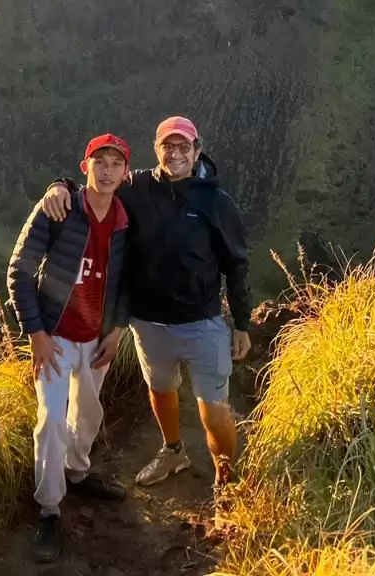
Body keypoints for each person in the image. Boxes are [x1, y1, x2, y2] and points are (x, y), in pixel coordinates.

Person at [42, 116, 252, 503]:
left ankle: (227, 483)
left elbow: (236, 263)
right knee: (160, 391)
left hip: (202, 321)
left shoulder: (216, 201)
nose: (175, 154)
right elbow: (96, 182)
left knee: (214, 409)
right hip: (148, 323)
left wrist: (242, 323)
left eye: (183, 147)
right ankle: (173, 453)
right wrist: (60, 185)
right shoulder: (135, 186)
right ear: (156, 150)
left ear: (197, 151)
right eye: (167, 147)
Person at [7, 133, 133, 564]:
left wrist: (117, 331)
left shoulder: (125, 220)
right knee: (51, 421)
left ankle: (77, 474)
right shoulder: (58, 209)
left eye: (116, 163)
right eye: (100, 161)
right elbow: (19, 272)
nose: (107, 169)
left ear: (125, 172)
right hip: (56, 337)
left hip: (98, 338)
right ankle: (49, 509)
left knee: (89, 412)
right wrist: (36, 333)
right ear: (85, 167)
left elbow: (128, 281)